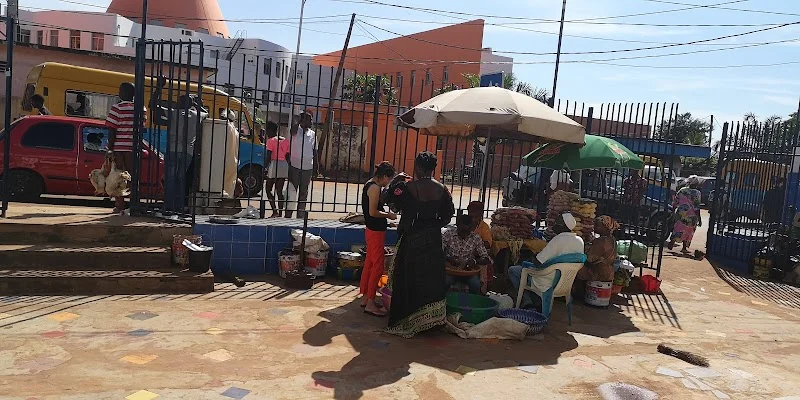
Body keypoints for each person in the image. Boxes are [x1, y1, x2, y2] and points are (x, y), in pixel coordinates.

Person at [383, 151, 455, 338]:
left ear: (417, 167)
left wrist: (395, 180)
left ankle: (406, 321)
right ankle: (430, 323)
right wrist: (432, 224)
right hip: (432, 239)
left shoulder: (406, 188)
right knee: (430, 280)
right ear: (433, 168)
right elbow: (447, 215)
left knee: (408, 279)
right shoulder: (443, 190)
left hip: (411, 239)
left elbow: (387, 199)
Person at [150, 78, 209, 213]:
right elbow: (207, 113)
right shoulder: (197, 115)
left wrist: (159, 88)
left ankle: (169, 206)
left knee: (170, 179)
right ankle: (179, 206)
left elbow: (153, 105)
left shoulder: (173, 112)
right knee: (181, 179)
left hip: (172, 149)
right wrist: (196, 103)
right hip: (188, 152)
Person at [508, 212, 585, 309]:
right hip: (565, 282)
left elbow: (538, 262)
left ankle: (527, 302)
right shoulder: (579, 241)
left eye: (556, 222)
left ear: (562, 225)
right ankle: (537, 302)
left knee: (514, 270)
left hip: (547, 281)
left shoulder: (558, 239)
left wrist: (534, 256)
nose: (553, 225)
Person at [360, 162, 398, 317]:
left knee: (369, 264)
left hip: (373, 229)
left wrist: (387, 221)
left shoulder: (371, 184)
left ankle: (365, 297)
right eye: (388, 180)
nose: (387, 184)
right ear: (384, 177)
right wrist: (388, 215)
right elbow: (373, 212)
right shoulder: (375, 188)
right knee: (377, 266)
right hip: (375, 232)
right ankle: (370, 302)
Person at [105, 82, 146, 214]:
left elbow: (112, 131)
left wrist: (109, 148)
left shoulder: (116, 108)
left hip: (119, 148)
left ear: (122, 93)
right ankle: (133, 204)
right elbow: (141, 129)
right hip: (133, 149)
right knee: (132, 177)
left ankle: (119, 205)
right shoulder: (141, 109)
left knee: (118, 177)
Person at [443, 215, 491, 295]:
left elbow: (486, 259)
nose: (465, 234)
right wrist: (448, 258)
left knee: (475, 285)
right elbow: (438, 252)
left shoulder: (475, 238)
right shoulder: (448, 234)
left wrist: (474, 261)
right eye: (462, 231)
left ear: (471, 228)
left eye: (468, 231)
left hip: (468, 272)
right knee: (445, 282)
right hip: (450, 271)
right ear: (457, 225)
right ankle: (443, 303)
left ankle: (471, 305)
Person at [575, 216, 619, 295]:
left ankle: (578, 292)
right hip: (609, 273)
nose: (594, 227)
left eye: (597, 225)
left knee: (575, 266)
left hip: (599, 273)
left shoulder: (602, 241)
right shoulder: (612, 239)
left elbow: (589, 258)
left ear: (605, 227)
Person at [286, 111, 317, 219]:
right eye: (309, 119)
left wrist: (316, 167)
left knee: (303, 193)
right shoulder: (295, 130)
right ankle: (288, 215)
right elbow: (292, 131)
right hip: (295, 165)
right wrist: (299, 120)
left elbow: (315, 151)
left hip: (308, 167)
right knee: (292, 191)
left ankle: (300, 216)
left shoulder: (313, 134)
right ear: (303, 120)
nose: (311, 122)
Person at [668, 175, 702, 254]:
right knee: (688, 231)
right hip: (691, 215)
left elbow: (676, 201)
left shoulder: (682, 190)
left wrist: (673, 210)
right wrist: (699, 219)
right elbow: (696, 207)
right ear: (696, 184)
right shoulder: (697, 193)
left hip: (681, 213)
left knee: (678, 228)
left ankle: (673, 240)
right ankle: (684, 248)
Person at [263, 121, 290, 217]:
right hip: (284, 165)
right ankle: (281, 213)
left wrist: (264, 168)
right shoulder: (285, 140)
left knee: (268, 189)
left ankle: (275, 211)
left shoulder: (270, 141)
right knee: (279, 190)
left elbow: (268, 156)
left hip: (275, 164)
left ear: (270, 130)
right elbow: (288, 156)